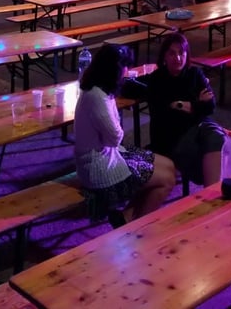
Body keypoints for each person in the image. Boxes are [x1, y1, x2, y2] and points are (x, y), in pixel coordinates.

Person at [74, 44, 176, 228]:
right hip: (99, 169)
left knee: (169, 165)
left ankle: (126, 218)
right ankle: (135, 229)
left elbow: (111, 137)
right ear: (112, 71)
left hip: (110, 154)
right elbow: (116, 137)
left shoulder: (100, 88)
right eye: (124, 67)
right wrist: (114, 130)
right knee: (167, 181)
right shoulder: (96, 97)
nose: (127, 72)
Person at [125, 32, 227, 186]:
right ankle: (210, 188)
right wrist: (195, 104)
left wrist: (179, 104)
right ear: (164, 56)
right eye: (172, 53)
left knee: (218, 136)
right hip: (173, 136)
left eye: (181, 53)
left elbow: (210, 106)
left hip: (200, 125)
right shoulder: (157, 79)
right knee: (196, 153)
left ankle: (212, 192)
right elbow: (166, 115)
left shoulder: (195, 74)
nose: (178, 58)